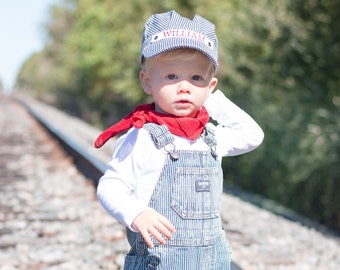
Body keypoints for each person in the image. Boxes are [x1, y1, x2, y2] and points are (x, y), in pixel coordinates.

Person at [94, 10, 264, 270]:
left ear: (211, 85)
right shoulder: (143, 137)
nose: (184, 87)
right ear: (147, 81)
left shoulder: (211, 138)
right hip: (159, 262)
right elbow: (110, 187)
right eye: (171, 76)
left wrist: (211, 99)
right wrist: (136, 213)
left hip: (211, 263)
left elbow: (252, 135)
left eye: (196, 78)